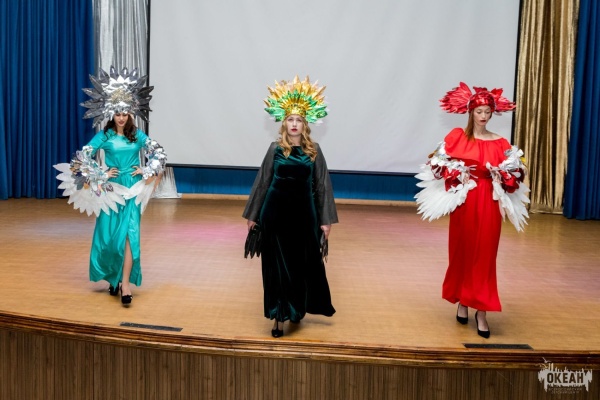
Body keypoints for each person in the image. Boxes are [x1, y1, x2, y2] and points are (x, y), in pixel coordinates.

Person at [415, 82, 529, 338]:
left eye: (488, 112)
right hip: (465, 202)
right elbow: (436, 163)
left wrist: (504, 175)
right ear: (470, 112)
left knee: (485, 254)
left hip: (489, 200)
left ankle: (482, 311)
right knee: (463, 251)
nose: (484, 116)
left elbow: (517, 171)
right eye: (479, 111)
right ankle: (463, 300)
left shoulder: (500, 142)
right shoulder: (457, 137)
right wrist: (457, 173)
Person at [54, 67, 166, 306]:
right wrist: (101, 173)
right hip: (111, 190)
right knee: (109, 238)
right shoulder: (104, 136)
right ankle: (113, 277)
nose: (121, 117)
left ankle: (125, 284)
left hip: (133, 189)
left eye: (125, 113)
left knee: (130, 235)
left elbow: (158, 152)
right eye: (117, 113)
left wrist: (146, 170)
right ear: (111, 114)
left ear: (130, 113)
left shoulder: (138, 135)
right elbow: (82, 157)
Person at [243, 76, 338, 338]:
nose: (294, 124)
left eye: (299, 120)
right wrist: (253, 215)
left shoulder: (314, 151)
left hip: (304, 218)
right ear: (284, 122)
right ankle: (278, 315)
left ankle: (294, 310)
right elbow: (262, 183)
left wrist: (325, 220)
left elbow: (322, 186)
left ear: (305, 124)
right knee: (275, 266)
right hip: (274, 215)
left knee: (298, 265)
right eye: (290, 119)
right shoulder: (275, 149)